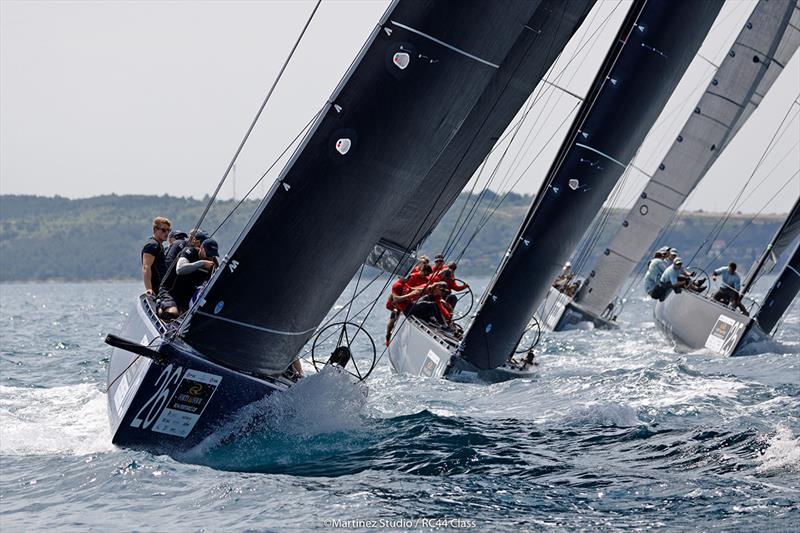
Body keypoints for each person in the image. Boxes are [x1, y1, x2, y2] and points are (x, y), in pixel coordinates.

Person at [159, 238, 219, 319]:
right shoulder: (189, 252)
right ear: (201, 248)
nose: (209, 257)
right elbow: (179, 269)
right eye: (208, 254)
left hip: (186, 297)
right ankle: (159, 305)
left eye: (212, 255)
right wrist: (201, 263)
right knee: (173, 313)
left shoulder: (211, 263)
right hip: (170, 291)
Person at [384, 275, 424, 344]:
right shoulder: (390, 301)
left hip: (402, 307)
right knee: (393, 320)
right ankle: (388, 336)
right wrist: (395, 310)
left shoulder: (405, 285)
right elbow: (389, 306)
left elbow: (412, 289)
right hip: (395, 308)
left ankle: (402, 335)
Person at [142, 216, 171, 297]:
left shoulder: (159, 246)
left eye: (169, 230)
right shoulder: (152, 245)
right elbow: (146, 267)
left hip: (163, 288)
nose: (167, 233)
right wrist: (149, 288)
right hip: (157, 289)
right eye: (164, 230)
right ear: (155, 229)